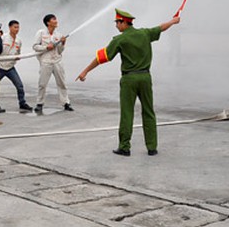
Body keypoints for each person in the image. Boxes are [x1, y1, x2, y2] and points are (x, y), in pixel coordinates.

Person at [76, 8, 181, 157]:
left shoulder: (120, 40)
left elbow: (102, 58)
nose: (116, 26)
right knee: (149, 111)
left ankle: (124, 147)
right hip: (145, 77)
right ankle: (152, 147)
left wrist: (85, 71)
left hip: (129, 79)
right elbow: (161, 28)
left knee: (127, 113)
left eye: (117, 23)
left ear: (124, 22)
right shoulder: (144, 33)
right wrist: (173, 21)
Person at [32, 14, 72, 113]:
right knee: (42, 84)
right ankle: (39, 103)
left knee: (62, 83)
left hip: (57, 61)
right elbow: (35, 46)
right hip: (46, 61)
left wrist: (63, 43)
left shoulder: (58, 35)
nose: (56, 21)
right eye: (54, 19)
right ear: (48, 22)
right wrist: (46, 47)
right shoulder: (41, 33)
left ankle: (66, 103)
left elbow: (60, 51)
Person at [0, 20, 32, 113]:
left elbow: (18, 53)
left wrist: (17, 57)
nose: (17, 29)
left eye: (18, 27)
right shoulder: (2, 37)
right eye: (15, 27)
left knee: (19, 85)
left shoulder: (18, 41)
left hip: (10, 67)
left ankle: (22, 103)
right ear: (10, 27)